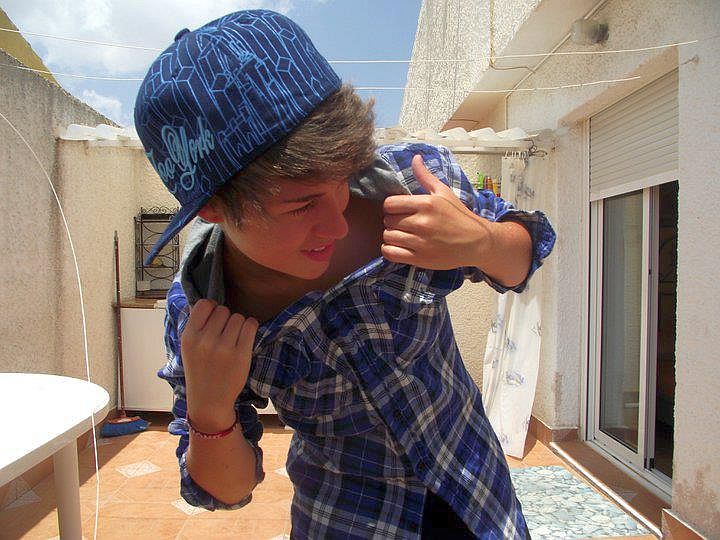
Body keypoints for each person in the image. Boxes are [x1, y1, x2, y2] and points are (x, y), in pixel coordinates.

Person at [135, 10, 555, 539]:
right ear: (214, 208)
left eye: (342, 177)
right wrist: (211, 408)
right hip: (347, 521)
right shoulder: (202, 313)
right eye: (301, 204)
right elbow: (227, 490)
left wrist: (482, 241)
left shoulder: (415, 182)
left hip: (483, 505)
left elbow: (522, 261)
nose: (335, 222)